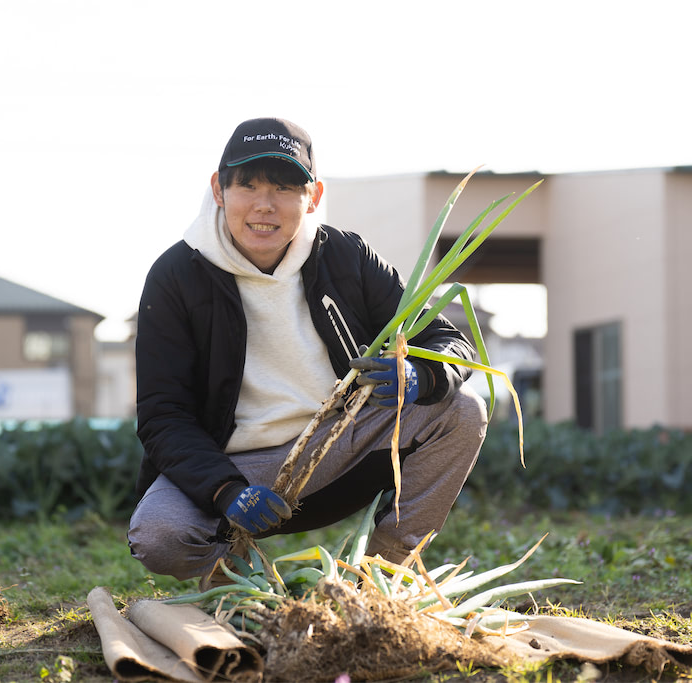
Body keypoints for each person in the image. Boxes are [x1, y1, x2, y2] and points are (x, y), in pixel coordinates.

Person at [128, 117, 488, 584]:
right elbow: (162, 414)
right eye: (248, 186)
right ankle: (231, 575)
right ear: (219, 189)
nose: (264, 205)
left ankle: (380, 577)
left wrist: (421, 376)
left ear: (313, 196)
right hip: (235, 463)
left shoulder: (345, 256)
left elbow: (446, 340)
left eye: (283, 188)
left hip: (338, 444)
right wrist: (224, 489)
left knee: (461, 411)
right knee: (160, 536)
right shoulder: (176, 276)